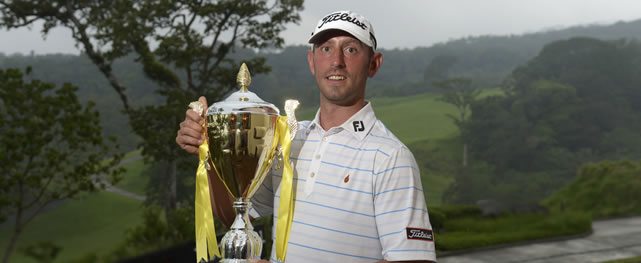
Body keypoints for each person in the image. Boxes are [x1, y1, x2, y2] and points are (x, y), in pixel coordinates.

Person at [176, 10, 436, 263]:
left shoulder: (390, 156)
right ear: (312, 62)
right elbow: (234, 214)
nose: (337, 61)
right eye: (325, 48)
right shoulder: (288, 139)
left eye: (351, 49)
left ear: (374, 64)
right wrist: (212, 152)